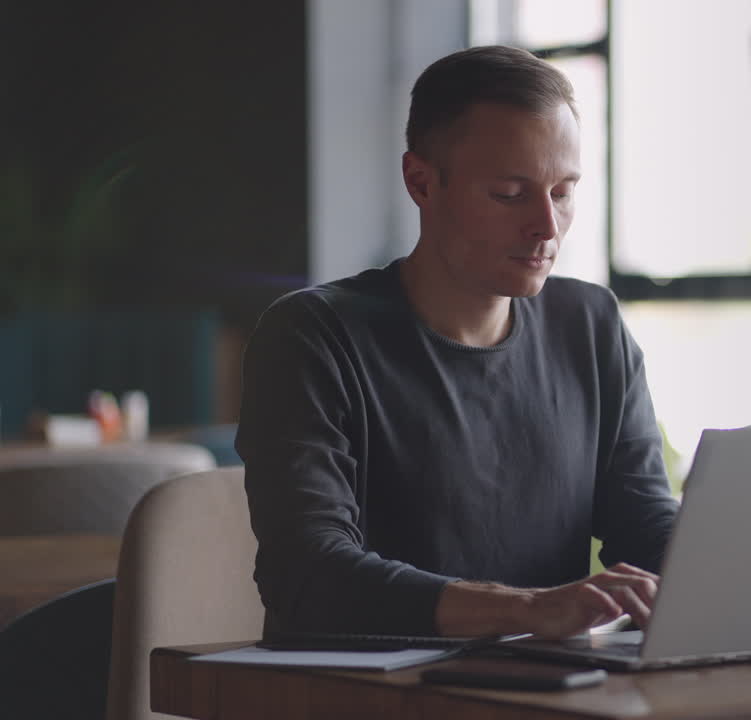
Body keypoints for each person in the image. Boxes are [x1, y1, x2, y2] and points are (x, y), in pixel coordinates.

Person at [235, 46, 679, 640]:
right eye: (509, 193)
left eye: (563, 192)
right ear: (421, 182)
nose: (546, 227)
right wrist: (525, 610)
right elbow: (307, 573)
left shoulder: (591, 324)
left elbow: (645, 525)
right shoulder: (313, 337)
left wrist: (746, 571)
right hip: (361, 693)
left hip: (548, 689)